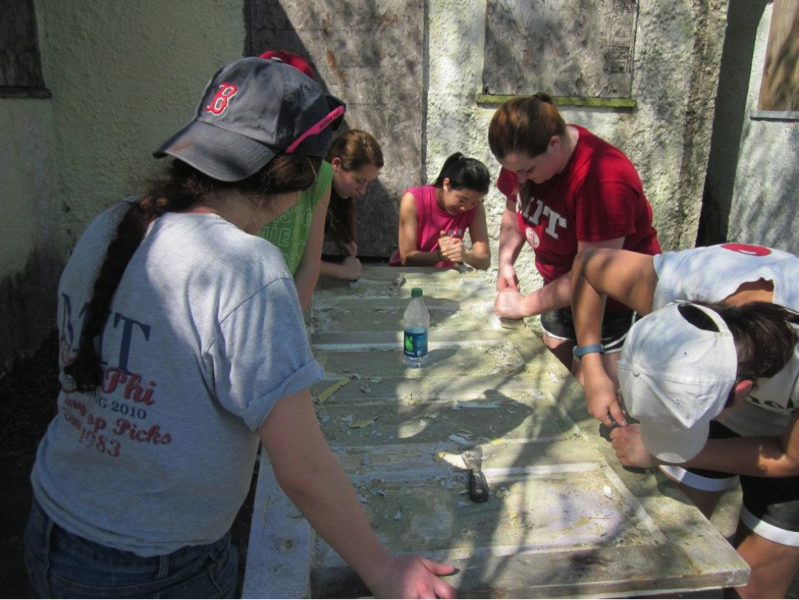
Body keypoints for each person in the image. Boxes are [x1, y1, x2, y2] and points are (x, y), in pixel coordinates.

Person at [24, 57, 456, 600]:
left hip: (51, 522)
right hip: (153, 564)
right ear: (293, 182)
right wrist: (382, 569)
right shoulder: (246, 267)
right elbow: (302, 469)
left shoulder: (110, 222)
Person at [571, 242, 799, 599]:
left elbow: (789, 457)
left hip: (789, 445)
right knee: (664, 557)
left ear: (743, 392)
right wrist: (592, 364)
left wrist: (662, 451)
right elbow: (589, 262)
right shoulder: (677, 286)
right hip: (726, 397)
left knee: (755, 586)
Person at [487, 93, 660, 373]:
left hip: (612, 306)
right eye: (512, 171)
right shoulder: (522, 158)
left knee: (594, 400)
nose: (518, 178)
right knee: (553, 382)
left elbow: (591, 274)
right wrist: (505, 263)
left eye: (526, 170)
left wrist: (524, 306)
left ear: (554, 144)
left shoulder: (604, 179)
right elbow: (512, 210)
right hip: (556, 291)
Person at [256, 50, 335, 309]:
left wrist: (291, 322)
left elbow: (310, 261)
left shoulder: (321, 173)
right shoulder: (244, 158)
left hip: (284, 301)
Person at [390, 152, 491, 270]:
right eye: (462, 200)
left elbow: (485, 262)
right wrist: (440, 256)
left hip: (445, 276)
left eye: (474, 203)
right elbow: (406, 258)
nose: (465, 208)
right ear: (446, 184)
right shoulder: (414, 199)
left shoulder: (476, 209)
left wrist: (466, 256)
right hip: (407, 274)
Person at [320, 129, 384, 281]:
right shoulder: (312, 192)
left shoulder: (334, 196)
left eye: (367, 182)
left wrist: (340, 238)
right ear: (336, 164)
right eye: (359, 181)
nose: (362, 191)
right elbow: (295, 260)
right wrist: (343, 271)